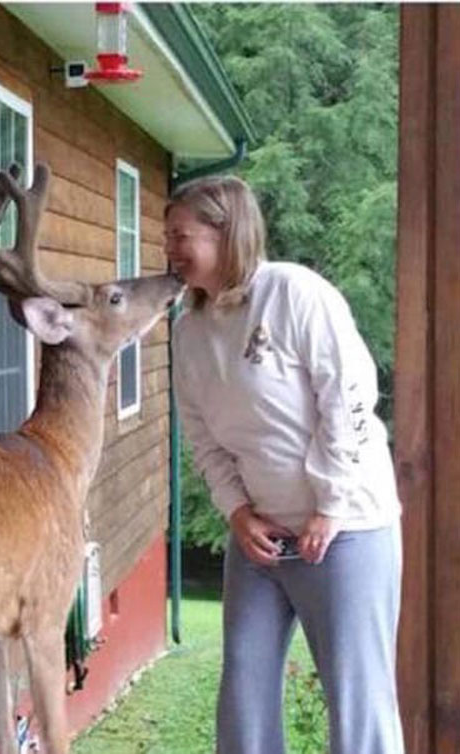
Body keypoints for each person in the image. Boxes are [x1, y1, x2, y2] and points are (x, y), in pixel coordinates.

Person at [166, 175, 404, 754]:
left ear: (227, 233)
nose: (169, 250)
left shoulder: (295, 293)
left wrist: (330, 505)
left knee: (357, 705)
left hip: (345, 531)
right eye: (166, 237)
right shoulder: (187, 329)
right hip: (261, 541)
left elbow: (348, 397)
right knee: (243, 701)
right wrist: (237, 512)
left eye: (181, 236)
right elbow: (201, 435)